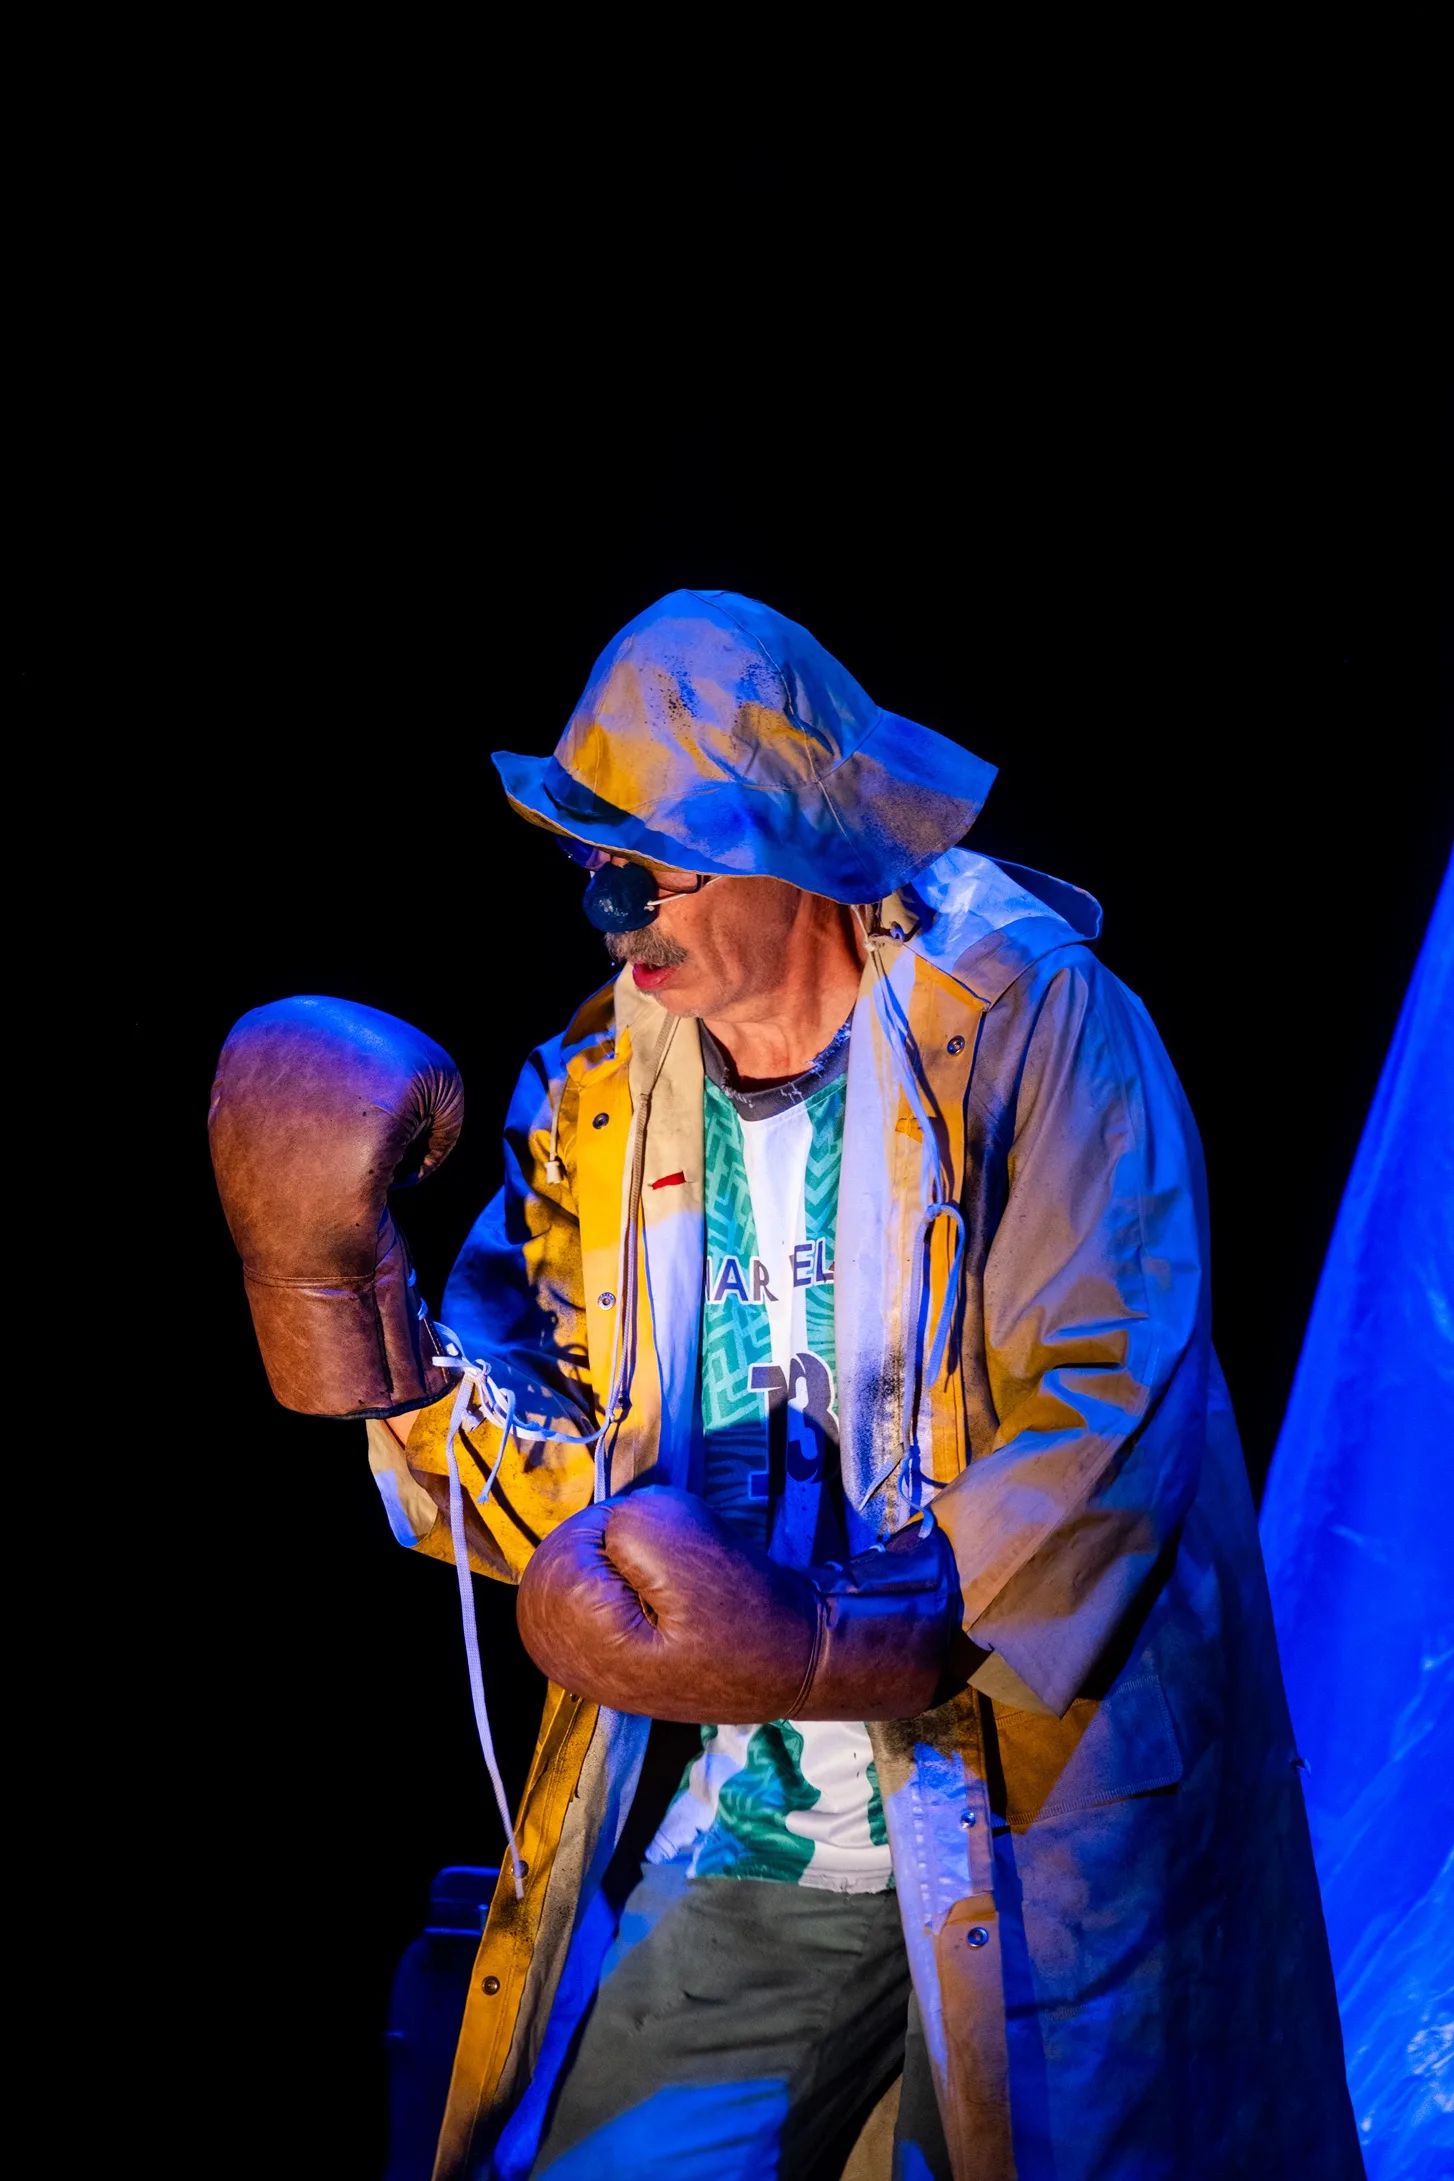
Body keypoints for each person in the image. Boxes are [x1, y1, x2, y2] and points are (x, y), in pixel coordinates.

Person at [210, 591, 1360, 2180]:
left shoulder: (1024, 1023)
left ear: (804, 849)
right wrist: (347, 1317)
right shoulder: (599, 1086)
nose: (613, 912)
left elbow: (1099, 1420)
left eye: (655, 869)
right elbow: (540, 1492)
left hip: (1036, 1820)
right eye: (591, 865)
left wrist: (831, 1641)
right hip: (765, 1829)